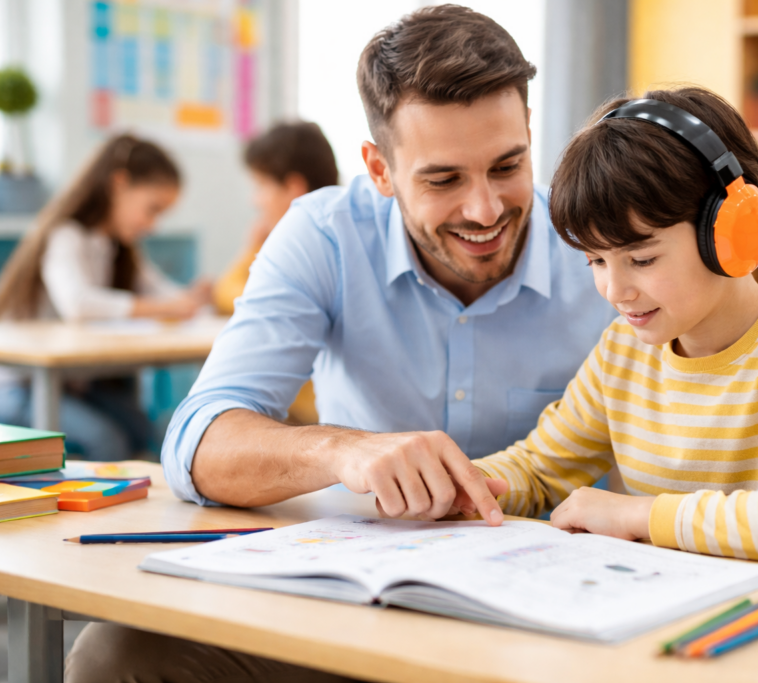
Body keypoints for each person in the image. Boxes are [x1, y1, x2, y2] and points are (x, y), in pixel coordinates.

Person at [66, 6, 614, 682]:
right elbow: (197, 440)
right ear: (379, 170)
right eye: (443, 179)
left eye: (507, 165)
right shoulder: (325, 236)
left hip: (554, 619)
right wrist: (341, 448)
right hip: (358, 609)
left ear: (532, 136)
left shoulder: (602, 247)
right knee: (116, 655)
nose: (485, 209)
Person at [469, 87, 758, 567]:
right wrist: (458, 485)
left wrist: (640, 516)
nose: (614, 289)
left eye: (642, 258)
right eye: (596, 261)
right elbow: (539, 471)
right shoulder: (623, 352)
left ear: (732, 231)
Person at [0, 134, 210, 461]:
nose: (152, 225)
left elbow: (161, 290)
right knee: (106, 441)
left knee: (145, 431)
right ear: (119, 184)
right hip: (23, 386)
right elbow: (78, 305)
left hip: (72, 385)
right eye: (151, 209)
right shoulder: (65, 235)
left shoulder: (118, 248)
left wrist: (192, 298)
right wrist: (164, 307)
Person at [213, 121, 339, 424]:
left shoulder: (314, 246)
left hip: (308, 417)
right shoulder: (344, 227)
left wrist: (250, 249)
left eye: (261, 186)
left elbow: (229, 293)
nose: (255, 200)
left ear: (293, 188)